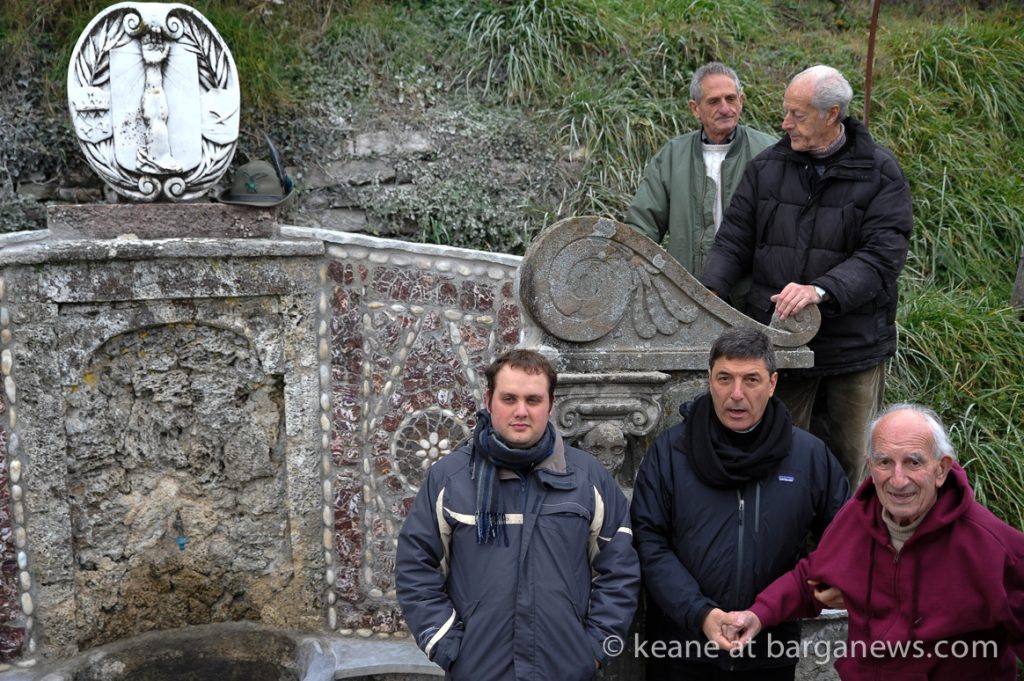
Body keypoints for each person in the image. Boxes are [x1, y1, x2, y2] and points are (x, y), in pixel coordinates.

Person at [699, 65, 913, 484]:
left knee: (853, 462)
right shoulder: (767, 167)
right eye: (786, 112)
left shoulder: (880, 173)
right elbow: (733, 240)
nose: (784, 123)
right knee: (777, 461)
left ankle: (847, 528)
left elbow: (882, 257)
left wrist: (821, 290)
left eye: (797, 115)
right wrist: (709, 291)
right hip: (779, 344)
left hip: (853, 349)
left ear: (832, 114)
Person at [724, 404, 1024, 680]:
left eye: (913, 462)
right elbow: (810, 578)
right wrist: (757, 615)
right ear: (870, 466)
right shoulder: (857, 518)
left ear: (941, 469)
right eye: (884, 462)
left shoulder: (991, 547)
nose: (897, 479)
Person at [395, 349, 640, 681]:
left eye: (533, 400)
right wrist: (446, 645)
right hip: (479, 670)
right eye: (509, 398)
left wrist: (595, 650)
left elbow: (619, 569)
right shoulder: (450, 479)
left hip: (565, 670)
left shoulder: (588, 478)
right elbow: (416, 566)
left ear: (550, 405)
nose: (521, 411)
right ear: (489, 400)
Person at [630, 327, 850, 680]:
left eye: (751, 379)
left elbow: (844, 540)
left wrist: (783, 602)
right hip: (680, 648)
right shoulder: (671, 452)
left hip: (770, 650)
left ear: (772, 383)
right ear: (709, 379)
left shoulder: (808, 456)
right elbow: (648, 541)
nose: (736, 394)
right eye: (725, 378)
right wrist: (701, 613)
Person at [624, 62, 776, 293]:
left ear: (741, 100)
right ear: (695, 109)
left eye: (731, 98)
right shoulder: (673, 156)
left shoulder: (768, 152)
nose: (725, 108)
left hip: (750, 295)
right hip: (686, 292)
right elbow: (643, 224)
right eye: (714, 101)